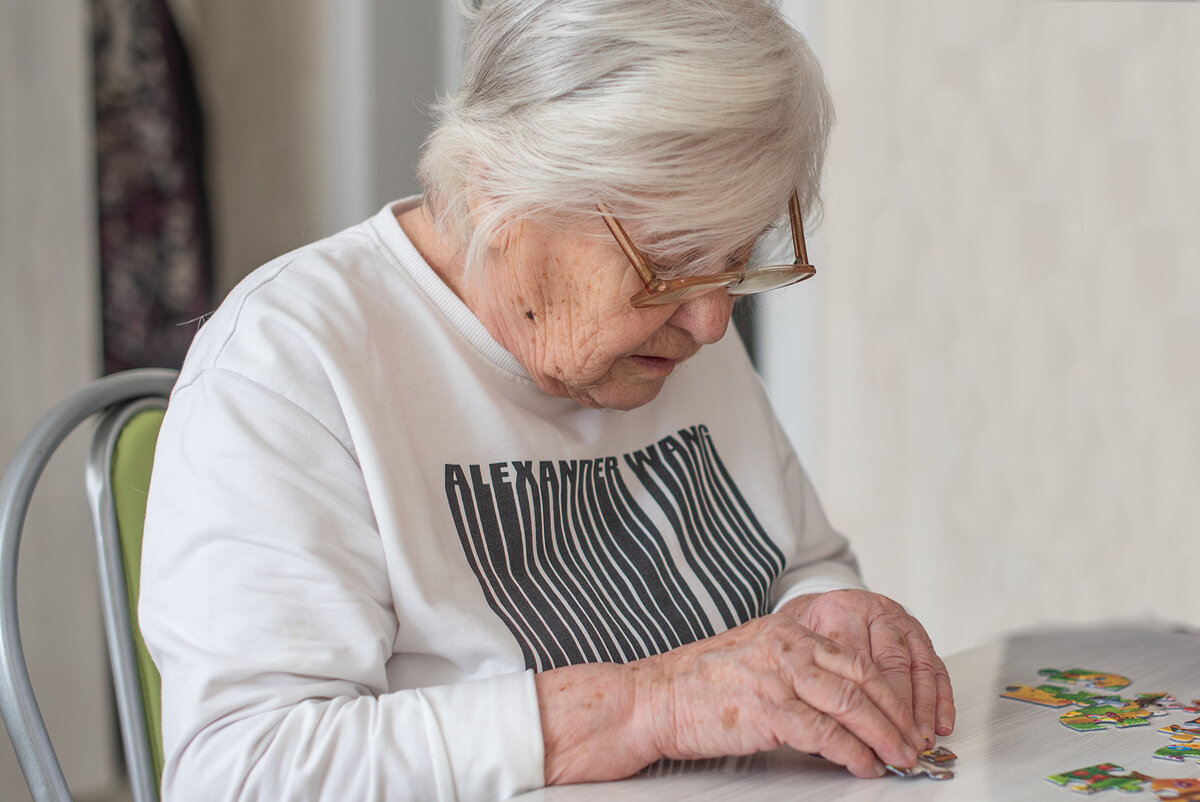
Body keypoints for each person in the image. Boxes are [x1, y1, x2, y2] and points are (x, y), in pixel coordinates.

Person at [140, 0, 955, 799]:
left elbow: (800, 562)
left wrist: (832, 621)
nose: (711, 321)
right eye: (668, 258)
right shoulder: (293, 365)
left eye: (735, 258)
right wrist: (648, 707)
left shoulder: (664, 328)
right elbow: (241, 771)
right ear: (496, 186)